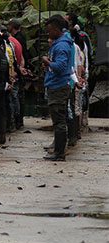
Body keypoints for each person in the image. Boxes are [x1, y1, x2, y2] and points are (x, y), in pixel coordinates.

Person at [42, 15, 74, 161]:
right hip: (58, 84)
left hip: (58, 86)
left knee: (59, 121)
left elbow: (60, 67)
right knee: (60, 120)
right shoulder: (61, 43)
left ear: (55, 29)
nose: (48, 34)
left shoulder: (61, 46)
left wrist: (48, 62)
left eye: (49, 31)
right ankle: (59, 149)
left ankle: (59, 152)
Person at [8, 19, 30, 128]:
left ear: (12, 26)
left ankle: (17, 119)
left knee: (15, 96)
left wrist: (20, 68)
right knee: (17, 96)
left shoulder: (17, 39)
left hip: (17, 70)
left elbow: (20, 56)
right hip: (20, 68)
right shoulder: (20, 37)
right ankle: (18, 120)